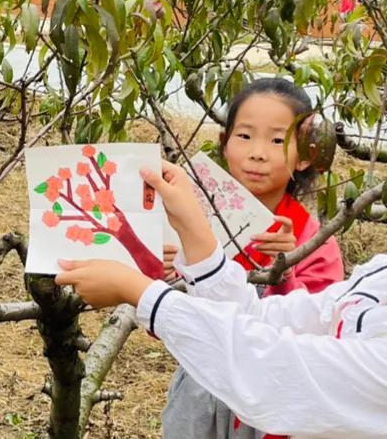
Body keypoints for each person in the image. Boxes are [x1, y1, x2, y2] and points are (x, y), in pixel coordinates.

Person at [56, 161, 387, 439]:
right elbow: (266, 319)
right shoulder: (380, 273)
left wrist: (139, 292)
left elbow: (278, 369)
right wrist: (195, 231)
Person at [161, 78, 343, 438]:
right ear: (224, 143)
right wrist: (168, 279)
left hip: (274, 397)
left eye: (277, 140)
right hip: (201, 388)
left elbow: (320, 327)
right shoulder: (192, 220)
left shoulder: (312, 240)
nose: (257, 153)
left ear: (304, 155)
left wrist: (285, 269)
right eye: (244, 136)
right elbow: (168, 322)